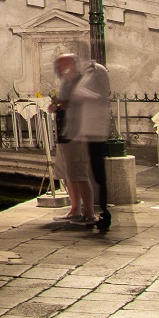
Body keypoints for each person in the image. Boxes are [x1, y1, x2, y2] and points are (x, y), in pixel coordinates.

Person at [63, 52, 114, 234]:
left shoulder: (95, 71)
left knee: (97, 176)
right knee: (95, 174)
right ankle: (100, 212)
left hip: (95, 133)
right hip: (90, 132)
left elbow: (81, 94)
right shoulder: (91, 72)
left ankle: (102, 213)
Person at [50, 52, 94, 225]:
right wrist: (57, 105)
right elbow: (64, 102)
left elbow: (83, 103)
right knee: (69, 175)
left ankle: (89, 214)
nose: (57, 69)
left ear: (70, 65)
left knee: (79, 174)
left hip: (76, 134)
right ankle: (75, 210)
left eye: (60, 66)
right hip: (64, 133)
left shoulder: (82, 82)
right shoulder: (66, 83)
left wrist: (63, 103)